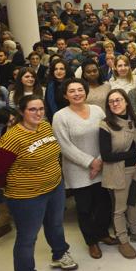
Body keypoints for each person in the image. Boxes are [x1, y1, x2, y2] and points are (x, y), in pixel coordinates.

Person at [0, 95, 78, 271]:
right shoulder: (12, 138)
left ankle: (59, 254)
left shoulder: (45, 126)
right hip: (27, 197)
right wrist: (12, 191)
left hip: (55, 187)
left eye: (41, 108)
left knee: (55, 224)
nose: (38, 113)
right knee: (27, 238)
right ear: (22, 112)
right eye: (33, 109)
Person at [52, 78, 117, 260]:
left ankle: (103, 233)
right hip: (78, 170)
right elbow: (64, 146)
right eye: (72, 91)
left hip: (102, 165)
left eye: (80, 90)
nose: (77, 93)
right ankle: (92, 242)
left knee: (104, 204)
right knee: (85, 208)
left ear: (85, 91)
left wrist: (99, 160)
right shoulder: (60, 116)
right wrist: (90, 162)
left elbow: (107, 134)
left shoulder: (97, 110)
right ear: (65, 95)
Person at [99, 89, 136, 259]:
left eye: (118, 100)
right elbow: (106, 155)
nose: (115, 104)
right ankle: (123, 240)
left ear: (126, 102)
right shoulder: (105, 124)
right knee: (119, 208)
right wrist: (133, 153)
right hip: (117, 171)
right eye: (111, 101)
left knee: (134, 203)